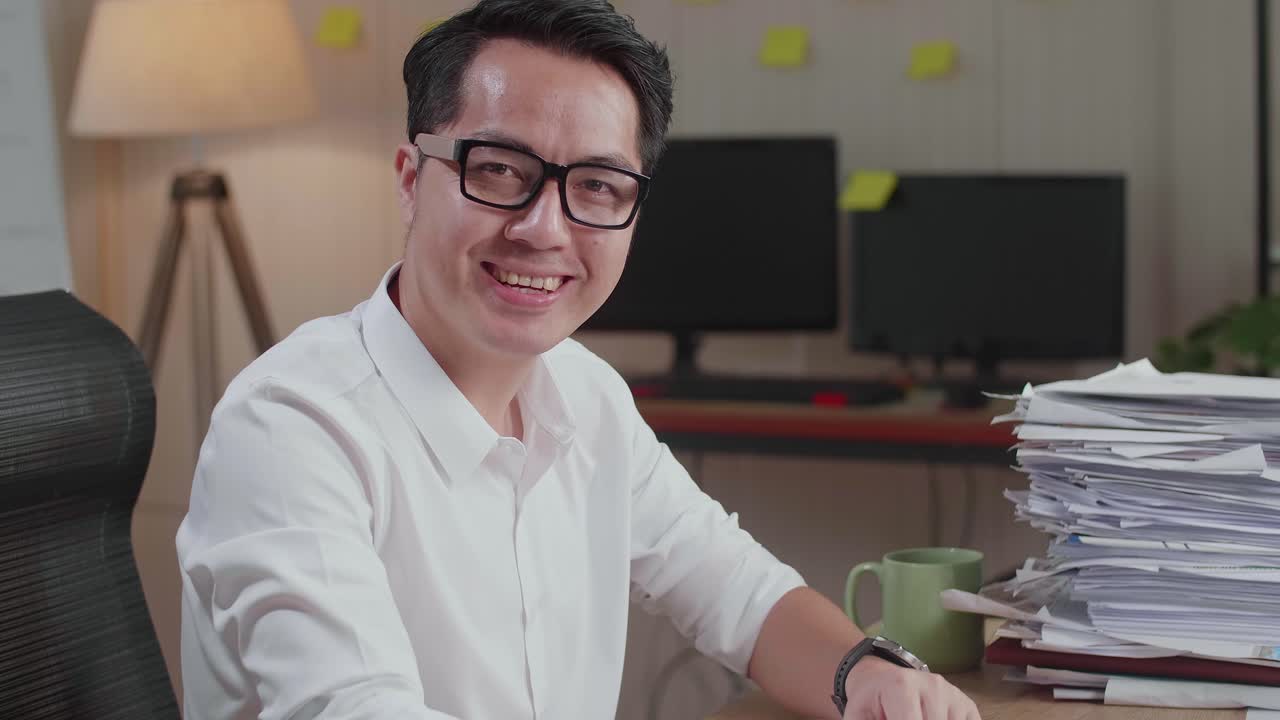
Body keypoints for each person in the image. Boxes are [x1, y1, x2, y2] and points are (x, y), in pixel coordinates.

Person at [175, 1, 982, 718]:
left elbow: (739, 593)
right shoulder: (291, 427)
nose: (544, 228)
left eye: (596, 186)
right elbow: (353, 707)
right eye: (499, 170)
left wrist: (867, 676)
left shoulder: (586, 393)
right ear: (411, 179)